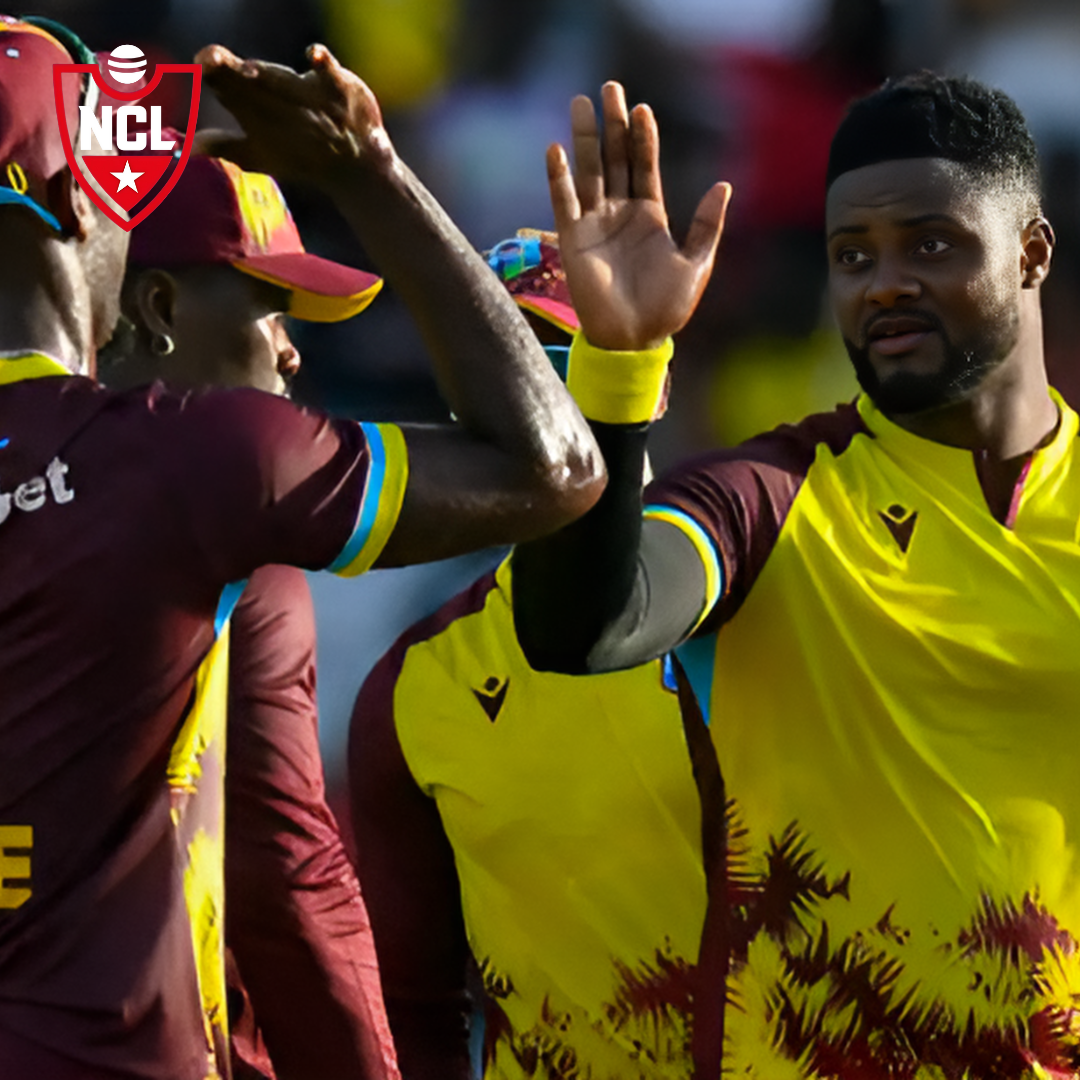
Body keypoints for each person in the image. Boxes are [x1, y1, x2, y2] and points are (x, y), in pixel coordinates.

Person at [0, 16, 604, 1080]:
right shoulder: (191, 472)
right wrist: (365, 170)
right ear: (71, 202)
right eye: (115, 184)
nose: (290, 344)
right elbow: (555, 469)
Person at [511, 72, 1080, 1076]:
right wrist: (620, 365)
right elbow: (582, 625)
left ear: (1032, 251)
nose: (883, 282)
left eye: (930, 244)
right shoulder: (771, 495)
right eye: (851, 256)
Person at [350, 230, 711, 1080]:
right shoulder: (415, 686)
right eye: (505, 365)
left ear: (654, 384)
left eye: (567, 356)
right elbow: (415, 1005)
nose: (541, 396)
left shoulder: (767, 592)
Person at [99, 153, 397, 1080]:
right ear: (155, 311)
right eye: (269, 306)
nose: (293, 349)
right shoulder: (229, 550)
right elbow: (285, 877)